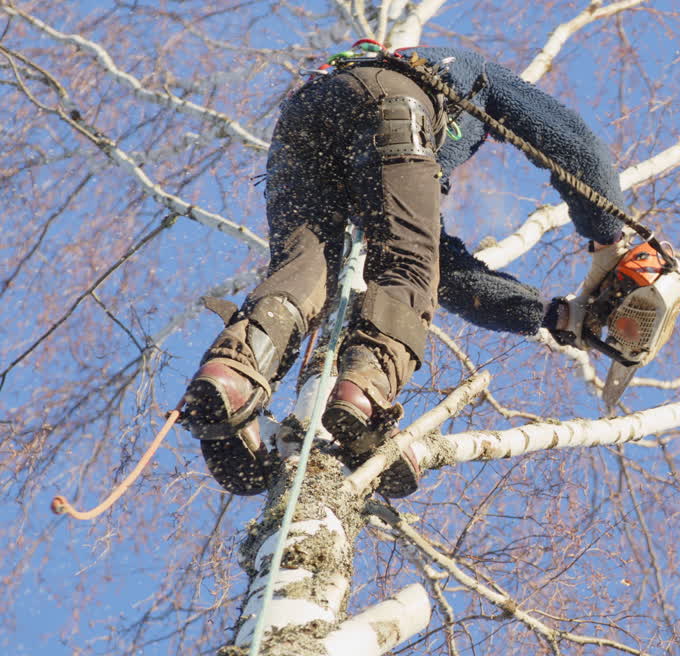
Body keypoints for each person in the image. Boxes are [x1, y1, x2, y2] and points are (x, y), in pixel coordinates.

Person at [180, 41, 630, 497]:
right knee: (406, 266)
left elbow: (449, 272)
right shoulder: (480, 79)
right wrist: (609, 236)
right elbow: (576, 145)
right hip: (391, 99)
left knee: (309, 264)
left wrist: (546, 315)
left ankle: (234, 374)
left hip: (304, 120)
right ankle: (364, 393)